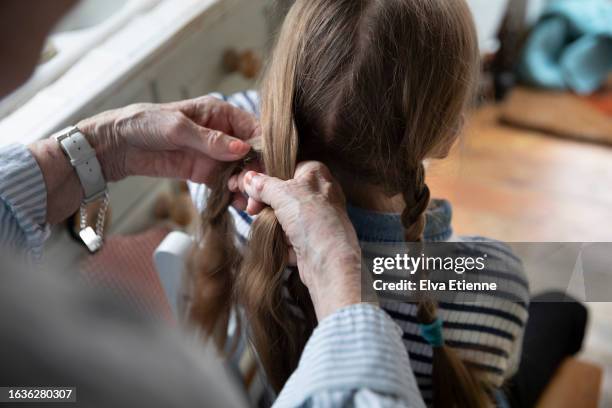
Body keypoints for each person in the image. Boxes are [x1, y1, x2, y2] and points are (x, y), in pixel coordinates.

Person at [0, 0, 427, 406]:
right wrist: (340, 273)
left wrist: (105, 145)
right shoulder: (479, 272)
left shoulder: (220, 174)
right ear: (443, 134)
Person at [188, 0, 529, 407]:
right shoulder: (491, 279)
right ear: (447, 133)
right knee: (564, 313)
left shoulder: (230, 185)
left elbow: (235, 107)